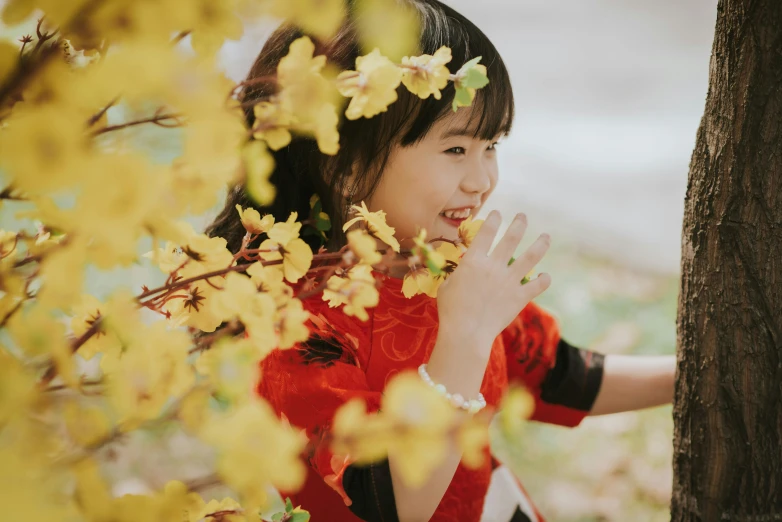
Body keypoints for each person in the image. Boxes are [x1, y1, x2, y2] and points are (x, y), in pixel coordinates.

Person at [205, 1, 677, 520]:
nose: (482, 181)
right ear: (343, 161)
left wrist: (702, 375)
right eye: (456, 150)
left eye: (491, 145)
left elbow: (559, 375)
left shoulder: (443, 265)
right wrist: (465, 337)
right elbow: (390, 501)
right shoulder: (292, 322)